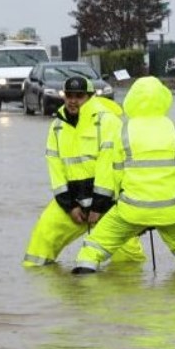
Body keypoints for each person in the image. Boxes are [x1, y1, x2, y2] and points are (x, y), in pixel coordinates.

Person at [73, 76, 175, 274]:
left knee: (93, 248)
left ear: (132, 98)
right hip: (172, 207)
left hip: (131, 208)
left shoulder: (124, 130)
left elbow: (116, 172)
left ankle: (85, 286)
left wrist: (121, 198)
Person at [22, 76, 145, 267]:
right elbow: (55, 169)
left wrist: (98, 206)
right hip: (73, 202)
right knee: (41, 242)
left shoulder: (108, 121)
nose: (72, 100)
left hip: (109, 204)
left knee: (128, 261)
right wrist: (69, 206)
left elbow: (109, 165)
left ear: (90, 96)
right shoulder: (57, 127)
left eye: (79, 96)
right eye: (68, 95)